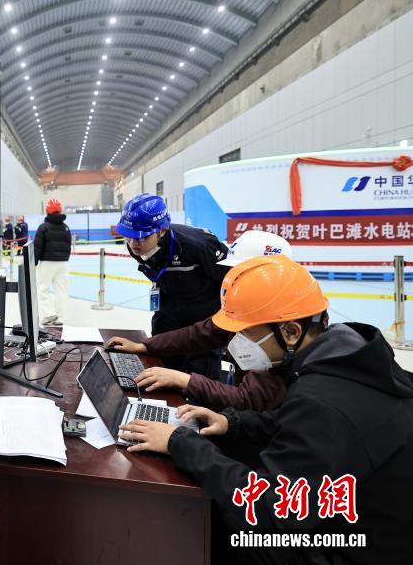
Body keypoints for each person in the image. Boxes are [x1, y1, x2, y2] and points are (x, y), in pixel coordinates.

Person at [119, 255, 413, 565]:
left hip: (352, 548)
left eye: (244, 333)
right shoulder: (343, 356)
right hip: (361, 520)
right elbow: (292, 424)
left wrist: (182, 443)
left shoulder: (321, 399)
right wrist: (231, 423)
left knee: (208, 524)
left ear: (290, 332)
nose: (233, 344)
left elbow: (268, 508)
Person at [107, 231, 294, 411]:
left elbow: (250, 399)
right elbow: (203, 333)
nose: (233, 281)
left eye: (242, 275)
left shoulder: (285, 326)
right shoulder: (254, 308)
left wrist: (184, 380)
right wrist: (145, 346)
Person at [116, 193, 229, 379]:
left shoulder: (199, 245)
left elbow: (230, 281)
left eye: (142, 237)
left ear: (162, 231)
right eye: (129, 237)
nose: (134, 244)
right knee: (161, 378)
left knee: (200, 386)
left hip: (202, 329)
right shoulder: (136, 246)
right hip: (167, 322)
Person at [33, 198, 71, 325]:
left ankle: (48, 314)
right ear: (60, 210)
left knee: (43, 289)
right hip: (63, 264)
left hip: (47, 263)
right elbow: (68, 246)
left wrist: (34, 262)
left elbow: (37, 247)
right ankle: (60, 317)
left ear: (47, 211)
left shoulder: (43, 227)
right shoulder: (66, 228)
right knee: (61, 290)